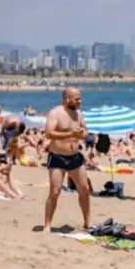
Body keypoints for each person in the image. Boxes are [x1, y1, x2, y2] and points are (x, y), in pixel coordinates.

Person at [44, 87, 92, 232]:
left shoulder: (78, 114)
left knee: (84, 188)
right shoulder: (56, 113)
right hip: (58, 156)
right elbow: (49, 133)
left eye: (80, 98)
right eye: (77, 99)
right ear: (67, 99)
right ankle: (47, 225)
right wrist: (70, 133)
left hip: (75, 157)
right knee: (55, 191)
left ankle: (87, 222)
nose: (80, 101)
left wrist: (81, 135)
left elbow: (85, 131)